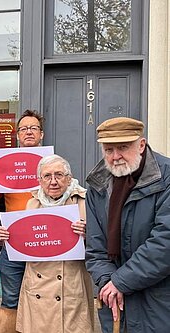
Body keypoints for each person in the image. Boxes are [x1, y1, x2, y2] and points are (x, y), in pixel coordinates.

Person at [85, 117, 170, 332]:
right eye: (108, 149)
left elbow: (164, 243)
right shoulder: (97, 185)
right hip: (115, 302)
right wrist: (107, 283)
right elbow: (95, 248)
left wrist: (120, 282)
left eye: (123, 147)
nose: (115, 157)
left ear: (141, 145)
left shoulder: (166, 177)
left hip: (158, 301)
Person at [0, 154, 94, 332]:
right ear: (40, 180)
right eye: (47, 176)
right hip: (37, 284)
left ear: (69, 178)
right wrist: (9, 235)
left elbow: (101, 242)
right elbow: (25, 240)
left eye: (59, 175)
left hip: (69, 283)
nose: (53, 181)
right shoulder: (32, 203)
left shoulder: (84, 201)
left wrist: (88, 234)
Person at [0, 109, 44, 309]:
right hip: (14, 240)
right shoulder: (6, 164)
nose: (29, 132)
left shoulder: (52, 164)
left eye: (33, 128)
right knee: (11, 301)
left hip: (43, 240)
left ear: (41, 134)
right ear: (17, 135)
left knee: (43, 300)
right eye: (24, 128)